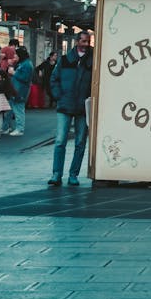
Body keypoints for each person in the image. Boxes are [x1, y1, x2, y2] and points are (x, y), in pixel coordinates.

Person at [49, 32, 93, 186]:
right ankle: (57, 174)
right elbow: (54, 79)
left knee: (80, 142)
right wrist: (59, 96)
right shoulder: (65, 60)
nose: (86, 44)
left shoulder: (92, 60)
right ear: (76, 42)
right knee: (60, 141)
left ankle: (73, 175)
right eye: (83, 41)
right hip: (65, 104)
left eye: (87, 41)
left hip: (82, 106)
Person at [7, 47, 33, 136]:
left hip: (20, 91)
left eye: (16, 54)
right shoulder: (23, 63)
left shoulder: (27, 65)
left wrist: (14, 73)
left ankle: (19, 129)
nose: (14, 56)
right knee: (12, 110)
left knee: (19, 111)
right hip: (16, 90)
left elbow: (25, 78)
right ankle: (7, 127)